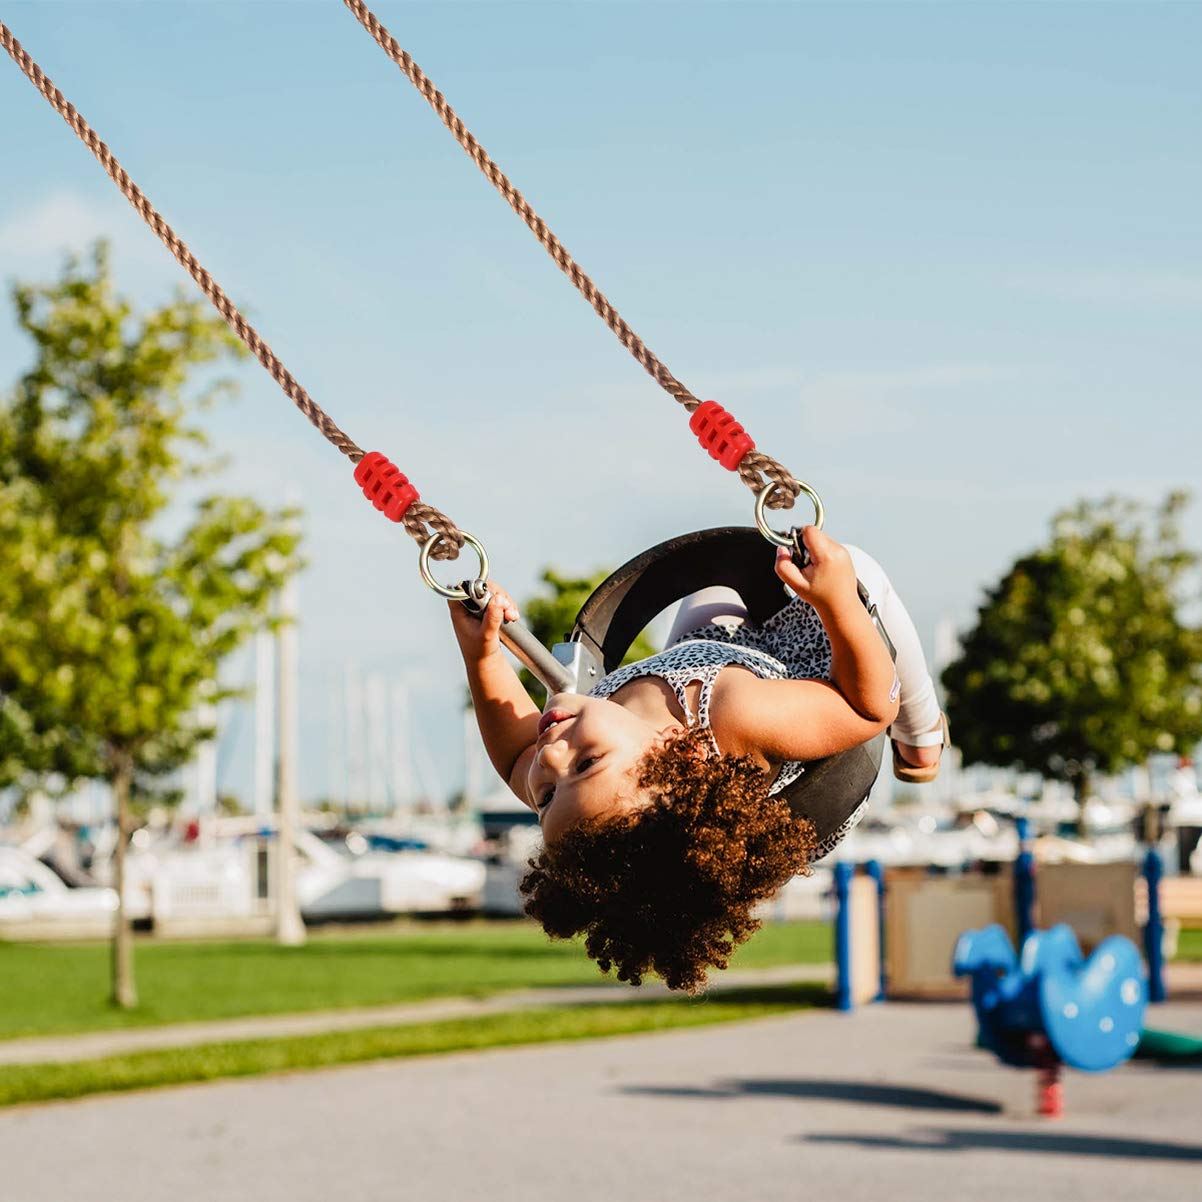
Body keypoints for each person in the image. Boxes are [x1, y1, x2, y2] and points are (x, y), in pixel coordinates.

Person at [449, 526, 947, 991]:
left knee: (719, 577)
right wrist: (837, 602)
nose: (552, 756)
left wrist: (483, 655)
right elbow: (866, 708)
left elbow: (516, 755)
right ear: (681, 755)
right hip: (816, 672)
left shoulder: (597, 779)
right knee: (859, 573)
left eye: (547, 795)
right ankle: (923, 734)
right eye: (586, 763)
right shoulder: (737, 715)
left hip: (706, 651)